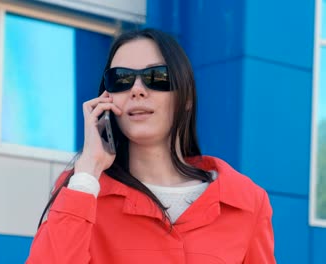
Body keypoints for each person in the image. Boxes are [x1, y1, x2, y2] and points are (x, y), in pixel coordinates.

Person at [26, 28, 275, 263]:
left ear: (186, 98)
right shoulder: (83, 191)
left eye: (157, 77)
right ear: (106, 98)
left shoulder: (246, 203)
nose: (137, 90)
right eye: (121, 79)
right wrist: (88, 170)